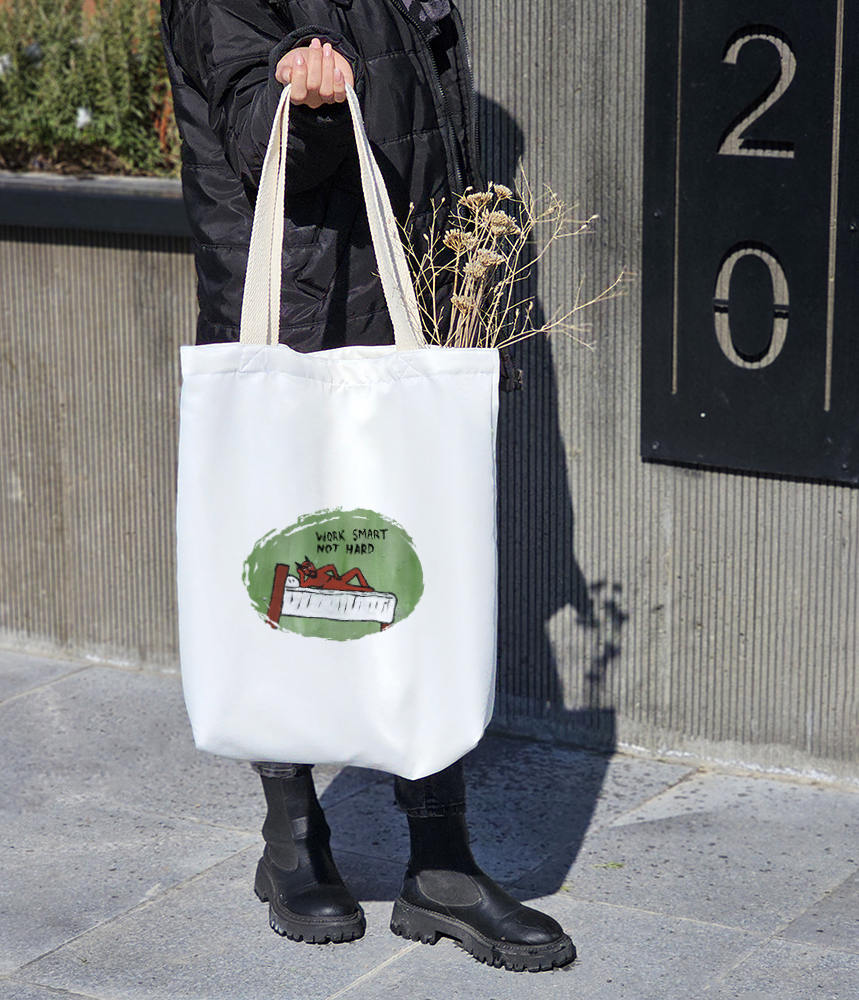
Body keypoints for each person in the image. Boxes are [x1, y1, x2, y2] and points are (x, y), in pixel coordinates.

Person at [159, 0, 574, 973]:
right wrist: (300, 106)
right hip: (297, 300)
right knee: (289, 569)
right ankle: (293, 837)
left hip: (400, 297)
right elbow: (254, 135)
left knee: (416, 565)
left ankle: (442, 861)